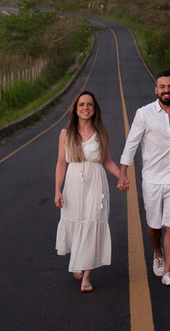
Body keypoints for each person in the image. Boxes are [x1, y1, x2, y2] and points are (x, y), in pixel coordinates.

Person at [120, 71, 170, 287]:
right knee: (154, 225)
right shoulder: (144, 114)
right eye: (162, 87)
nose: (167, 90)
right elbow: (131, 143)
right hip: (152, 178)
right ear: (156, 90)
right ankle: (157, 251)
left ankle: (168, 272)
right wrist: (123, 172)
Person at [54, 91, 129, 292]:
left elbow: (107, 160)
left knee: (92, 222)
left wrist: (121, 177)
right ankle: (78, 262)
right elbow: (61, 163)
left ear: (95, 109)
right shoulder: (66, 133)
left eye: (90, 105)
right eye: (82, 105)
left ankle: (86, 276)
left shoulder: (101, 131)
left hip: (96, 184)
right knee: (76, 223)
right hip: (73, 184)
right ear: (76, 109)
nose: (86, 108)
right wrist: (57, 190)